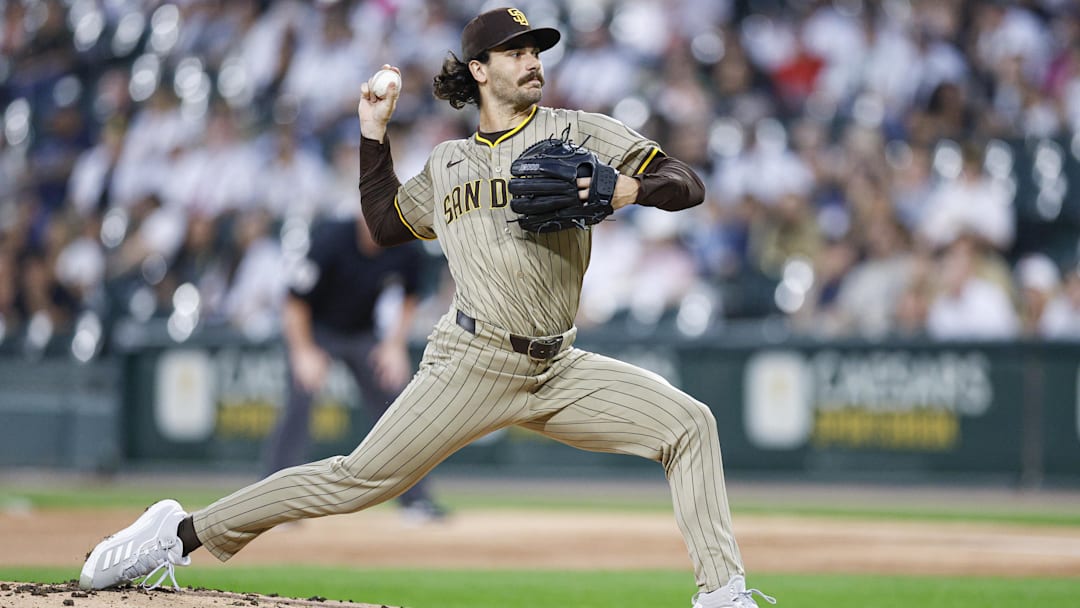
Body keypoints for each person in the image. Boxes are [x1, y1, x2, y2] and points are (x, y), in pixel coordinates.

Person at [79, 8, 774, 608]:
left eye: (537, 51)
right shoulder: (448, 165)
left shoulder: (577, 131)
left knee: (689, 424)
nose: (533, 62)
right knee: (356, 480)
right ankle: (177, 532)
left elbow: (687, 183)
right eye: (518, 52)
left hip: (560, 366)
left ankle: (721, 592)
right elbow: (383, 224)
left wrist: (627, 190)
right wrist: (371, 132)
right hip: (470, 361)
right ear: (479, 70)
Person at [267, 214, 445, 520]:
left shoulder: (404, 246)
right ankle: (273, 504)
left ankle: (416, 501)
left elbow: (410, 297)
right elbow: (294, 301)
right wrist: (303, 352)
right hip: (316, 330)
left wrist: (394, 345)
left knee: (398, 404)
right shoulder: (331, 238)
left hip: (363, 334)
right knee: (298, 405)